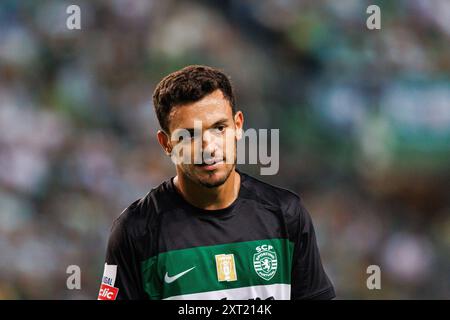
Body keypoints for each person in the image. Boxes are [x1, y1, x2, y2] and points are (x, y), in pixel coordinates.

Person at [98, 65, 335, 300]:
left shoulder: (286, 215)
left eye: (219, 128)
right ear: (166, 143)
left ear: (238, 126)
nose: (209, 147)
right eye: (189, 135)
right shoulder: (135, 231)